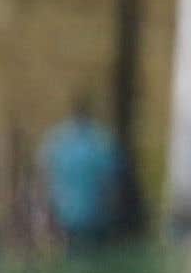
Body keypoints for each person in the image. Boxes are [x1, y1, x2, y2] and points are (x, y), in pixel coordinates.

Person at [36, 100, 127, 253]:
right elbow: (114, 181)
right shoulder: (102, 142)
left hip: (65, 216)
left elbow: (44, 176)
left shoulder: (56, 141)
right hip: (96, 215)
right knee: (95, 259)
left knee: (71, 257)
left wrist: (48, 210)